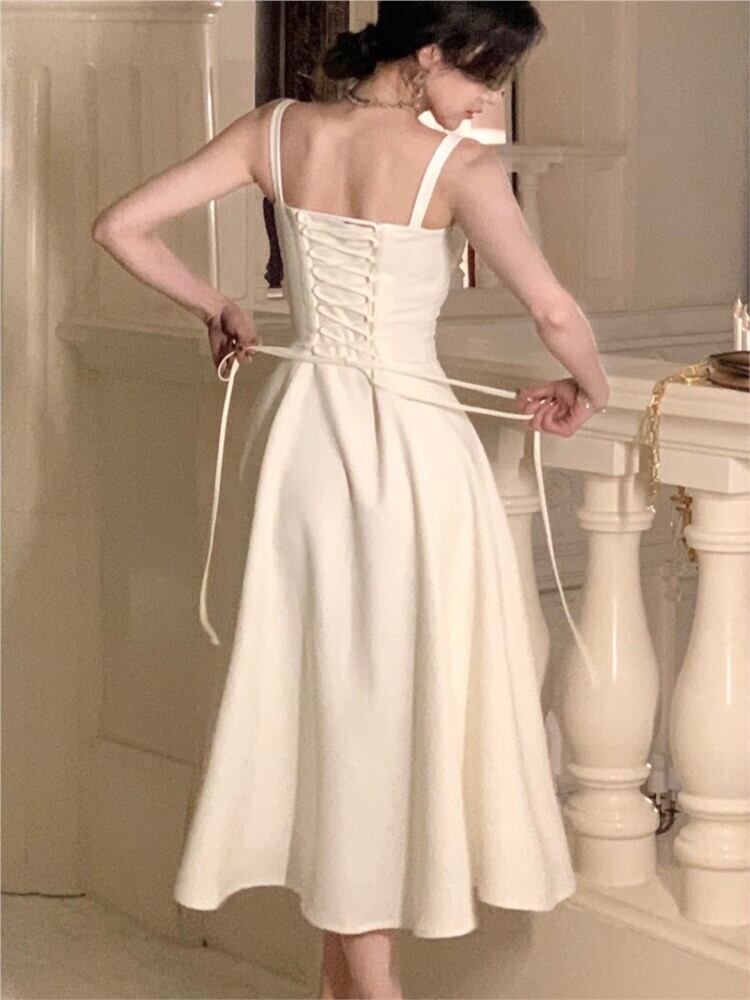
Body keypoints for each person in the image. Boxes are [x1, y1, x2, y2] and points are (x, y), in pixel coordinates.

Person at [91, 2, 610, 997]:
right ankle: (379, 989)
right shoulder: (458, 169)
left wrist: (217, 305)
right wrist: (590, 387)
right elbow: (552, 309)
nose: (487, 101)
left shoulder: (276, 130)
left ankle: (348, 983)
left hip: (301, 446)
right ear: (428, 53)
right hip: (411, 458)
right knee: (379, 708)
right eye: (483, 76)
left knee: (334, 697)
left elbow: (119, 227)